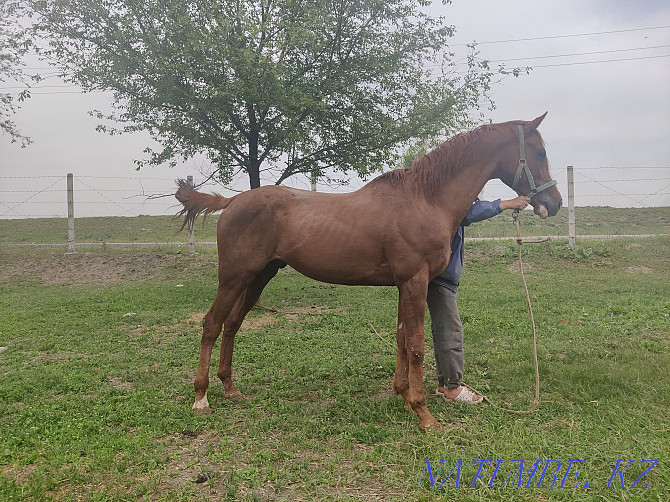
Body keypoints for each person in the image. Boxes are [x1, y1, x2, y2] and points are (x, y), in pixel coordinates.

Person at [428, 195, 531, 404]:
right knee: (450, 330)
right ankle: (453, 388)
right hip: (442, 278)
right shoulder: (451, 204)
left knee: (441, 330)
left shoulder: (439, 202)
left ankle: (444, 384)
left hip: (440, 277)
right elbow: (471, 212)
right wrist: (508, 203)